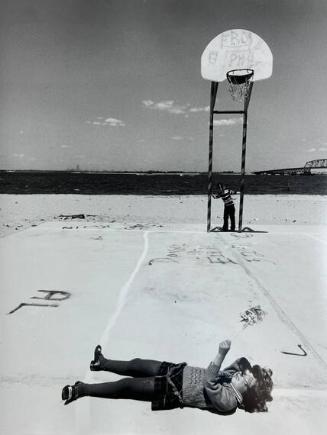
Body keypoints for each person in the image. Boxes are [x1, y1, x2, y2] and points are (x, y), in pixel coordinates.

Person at [62, 340, 273, 414]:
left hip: (171, 388)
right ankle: (102, 363)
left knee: (125, 386)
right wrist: (249, 368)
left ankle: (81, 389)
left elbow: (210, 381)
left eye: (244, 378)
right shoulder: (231, 382)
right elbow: (236, 365)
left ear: (247, 389)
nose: (239, 374)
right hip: (176, 370)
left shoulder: (229, 402)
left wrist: (221, 353)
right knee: (137, 364)